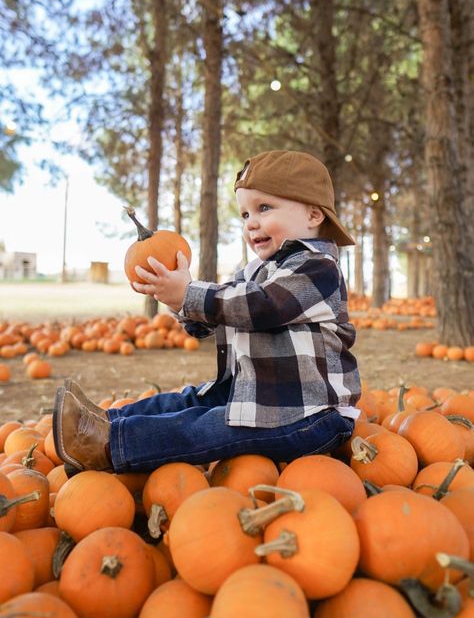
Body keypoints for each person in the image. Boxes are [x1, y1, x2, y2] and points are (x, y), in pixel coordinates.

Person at [53, 149, 361, 474]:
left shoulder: (318, 268)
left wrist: (190, 293)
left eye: (264, 208)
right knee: (187, 401)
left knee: (201, 427)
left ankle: (108, 445)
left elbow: (262, 306)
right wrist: (177, 302)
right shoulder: (256, 270)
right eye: (244, 215)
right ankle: (102, 422)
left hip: (311, 415)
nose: (251, 222)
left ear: (314, 215)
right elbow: (214, 322)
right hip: (259, 395)